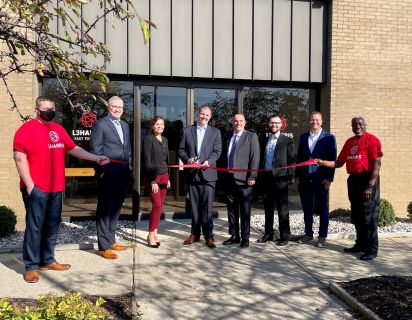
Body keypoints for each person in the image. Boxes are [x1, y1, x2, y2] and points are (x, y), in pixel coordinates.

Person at [13, 96, 109, 283]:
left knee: (52, 224)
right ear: (37, 110)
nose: (49, 111)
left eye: (52, 108)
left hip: (56, 188)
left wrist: (95, 157)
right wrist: (31, 186)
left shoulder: (57, 129)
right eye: (45, 108)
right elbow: (19, 157)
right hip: (36, 189)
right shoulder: (26, 130)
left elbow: (73, 149)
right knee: (35, 227)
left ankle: (47, 259)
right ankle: (31, 266)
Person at [317, 116, 383, 260]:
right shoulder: (349, 142)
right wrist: (322, 162)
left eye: (360, 124)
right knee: (358, 216)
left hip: (367, 180)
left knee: (369, 217)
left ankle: (372, 249)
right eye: (354, 124)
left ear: (365, 125)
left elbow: (377, 165)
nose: (357, 126)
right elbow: (339, 162)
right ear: (352, 127)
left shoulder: (372, 140)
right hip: (353, 180)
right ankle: (360, 245)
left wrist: (370, 185)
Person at [90, 96, 132, 260]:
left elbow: (127, 149)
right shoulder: (101, 124)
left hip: (123, 172)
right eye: (114, 106)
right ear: (108, 107)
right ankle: (103, 246)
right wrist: (101, 171)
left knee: (116, 207)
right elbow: (95, 149)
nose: (117, 109)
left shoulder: (125, 125)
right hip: (108, 173)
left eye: (120, 107)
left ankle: (111, 239)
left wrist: (129, 166)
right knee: (105, 209)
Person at [178, 105, 222, 249]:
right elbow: (180, 150)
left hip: (208, 174)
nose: (204, 117)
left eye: (207, 115)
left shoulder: (215, 132)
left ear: (210, 117)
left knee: (207, 207)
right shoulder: (187, 130)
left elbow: (217, 150)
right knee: (194, 207)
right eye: (202, 114)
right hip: (192, 174)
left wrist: (209, 161)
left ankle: (209, 236)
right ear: (198, 114)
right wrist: (187, 159)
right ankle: (194, 234)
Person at [295, 112, 337, 248]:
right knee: (307, 208)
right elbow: (299, 158)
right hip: (304, 179)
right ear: (309, 121)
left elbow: (333, 159)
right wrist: (297, 176)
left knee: (322, 208)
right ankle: (308, 234)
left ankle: (322, 236)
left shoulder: (329, 138)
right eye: (312, 119)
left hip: (321, 179)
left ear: (322, 121)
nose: (314, 122)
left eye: (317, 119)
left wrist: (329, 178)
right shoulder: (303, 137)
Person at [221, 114, 260, 248]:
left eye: (241, 121)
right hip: (229, 179)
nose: (238, 123)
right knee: (231, 209)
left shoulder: (251, 136)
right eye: (236, 121)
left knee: (245, 210)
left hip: (245, 180)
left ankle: (245, 237)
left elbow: (255, 158)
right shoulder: (227, 136)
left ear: (245, 122)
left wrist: (252, 176)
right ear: (232, 122)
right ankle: (234, 235)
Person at [257, 114, 296, 246]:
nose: (274, 125)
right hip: (266, 178)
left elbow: (292, 161)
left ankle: (285, 235)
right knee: (268, 208)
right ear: (269, 124)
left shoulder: (287, 141)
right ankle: (268, 233)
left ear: (281, 125)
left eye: (277, 123)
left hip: (281, 179)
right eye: (272, 123)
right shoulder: (264, 139)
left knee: (282, 208)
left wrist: (289, 178)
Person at [142, 116, 170, 248]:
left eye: (162, 124)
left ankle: (155, 233)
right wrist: (153, 180)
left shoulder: (165, 140)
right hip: (153, 177)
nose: (160, 126)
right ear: (152, 126)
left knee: (160, 206)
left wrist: (168, 177)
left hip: (164, 176)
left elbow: (166, 161)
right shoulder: (148, 139)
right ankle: (150, 234)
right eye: (157, 124)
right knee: (157, 205)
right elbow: (147, 162)